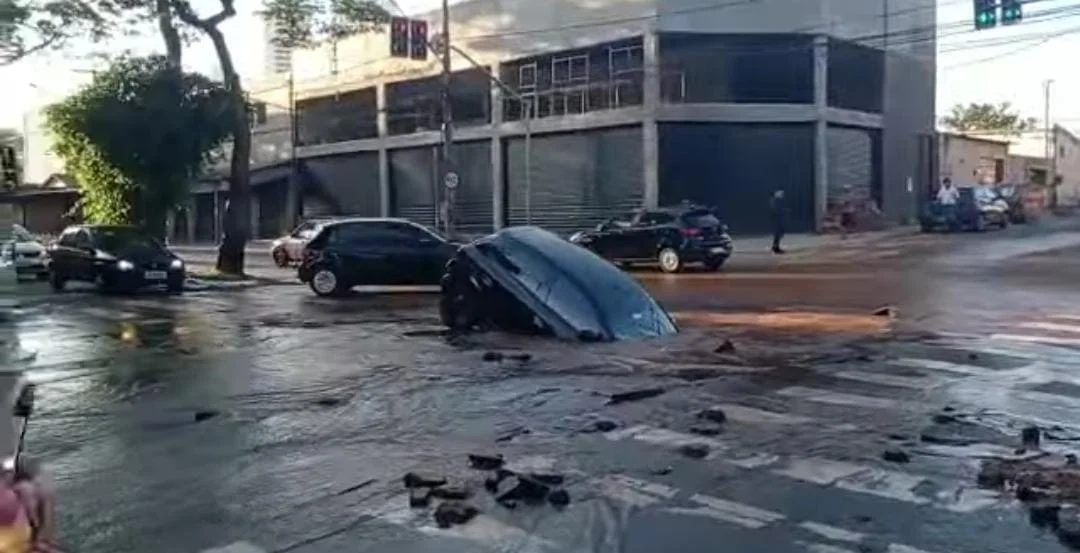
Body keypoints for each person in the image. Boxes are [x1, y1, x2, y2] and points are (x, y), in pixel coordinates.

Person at [768, 189, 787, 254]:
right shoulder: (773, 200)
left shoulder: (775, 201)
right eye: (780, 193)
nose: (782, 195)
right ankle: (775, 248)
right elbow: (774, 211)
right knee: (777, 233)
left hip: (777, 219)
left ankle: (775, 247)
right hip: (775, 220)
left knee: (778, 234)